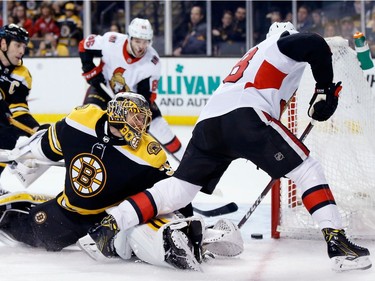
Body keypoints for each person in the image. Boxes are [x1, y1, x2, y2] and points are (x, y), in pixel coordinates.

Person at [80, 22, 372, 272]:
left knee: (179, 190)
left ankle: (107, 227)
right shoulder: (280, 44)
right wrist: (323, 89)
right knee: (307, 169)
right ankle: (338, 244)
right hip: (245, 117)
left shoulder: (254, 54)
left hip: (209, 123)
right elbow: (314, 43)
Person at [0, 92, 243, 271]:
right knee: (37, 233)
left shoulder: (149, 152)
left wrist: (185, 218)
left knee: (136, 238)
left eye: (143, 120)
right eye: (135, 117)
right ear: (117, 112)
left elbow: (172, 190)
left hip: (112, 216)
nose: (140, 125)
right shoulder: (81, 120)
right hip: (69, 211)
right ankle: (11, 204)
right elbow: (47, 147)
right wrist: (23, 155)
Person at [79, 18, 185, 161]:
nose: (141, 46)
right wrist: (90, 70)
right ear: (129, 37)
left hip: (132, 100)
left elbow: (147, 96)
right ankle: (81, 156)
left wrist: (134, 112)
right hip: (103, 89)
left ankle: (188, 164)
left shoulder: (152, 62)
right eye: (137, 41)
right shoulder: (112, 41)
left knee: (160, 128)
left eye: (145, 41)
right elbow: (84, 46)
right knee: (88, 116)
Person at [0, 24, 45, 184]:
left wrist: (36, 130)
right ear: (3, 43)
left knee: (8, 137)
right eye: (17, 45)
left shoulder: (22, 75)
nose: (21, 51)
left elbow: (19, 111)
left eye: (24, 46)